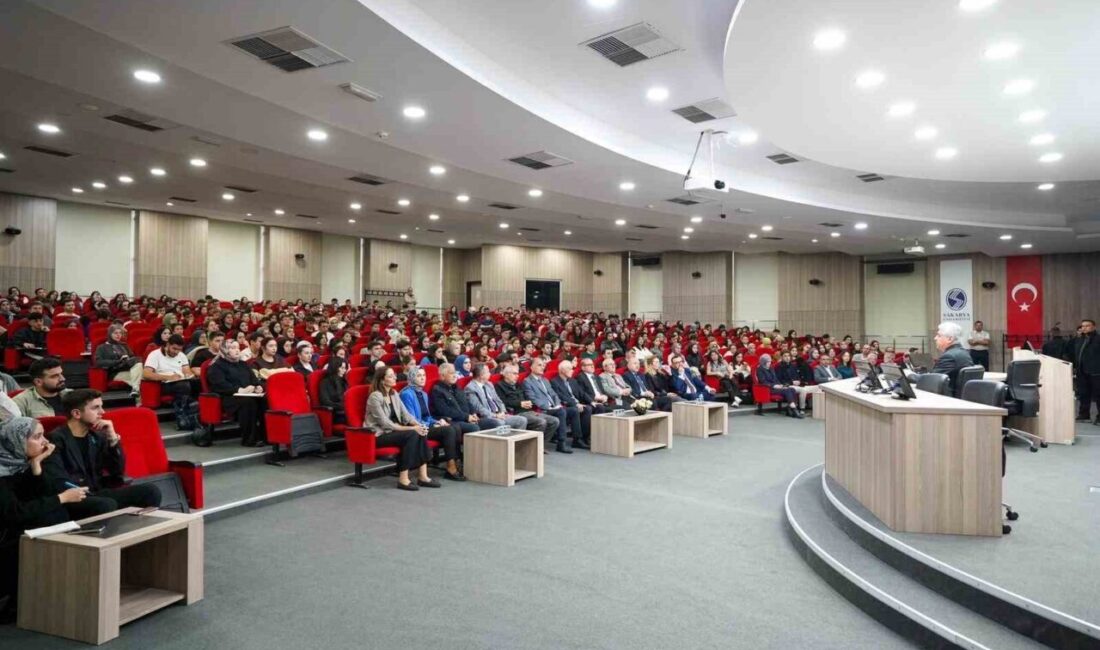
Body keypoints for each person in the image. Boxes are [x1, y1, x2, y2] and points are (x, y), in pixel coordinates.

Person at [0, 417, 86, 620]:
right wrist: (61, 498)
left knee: (56, 514)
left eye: (43, 435)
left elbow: (37, 497)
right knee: (53, 514)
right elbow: (14, 513)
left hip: (13, 531)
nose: (45, 442)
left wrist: (37, 466)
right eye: (37, 437)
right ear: (17, 440)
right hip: (3, 538)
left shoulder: (18, 464)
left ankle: (38, 593)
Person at [44, 389, 162, 519]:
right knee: (106, 504)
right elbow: (57, 480)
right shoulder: (56, 439)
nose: (102, 412)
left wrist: (112, 439)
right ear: (77, 413)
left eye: (101, 407)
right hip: (73, 497)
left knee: (151, 491)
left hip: (97, 492)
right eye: (96, 408)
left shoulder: (97, 437)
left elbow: (117, 471)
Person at [366, 368, 438, 491]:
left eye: (394, 375)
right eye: (391, 376)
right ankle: (403, 479)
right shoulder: (375, 397)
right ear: (382, 380)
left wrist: (418, 425)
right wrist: (410, 428)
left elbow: (406, 415)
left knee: (419, 432)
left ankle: (423, 476)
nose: (395, 378)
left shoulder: (394, 393)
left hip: (394, 431)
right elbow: (385, 423)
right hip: (379, 434)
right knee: (411, 434)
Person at [398, 368, 465, 480]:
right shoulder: (406, 394)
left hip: (426, 425)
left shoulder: (423, 394)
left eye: (424, 375)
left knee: (453, 427)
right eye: (419, 376)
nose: (423, 378)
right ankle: (451, 467)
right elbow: (411, 419)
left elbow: (427, 416)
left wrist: (437, 421)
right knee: (448, 430)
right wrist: (432, 425)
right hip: (416, 428)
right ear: (412, 378)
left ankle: (455, 461)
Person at [206, 339, 266, 447]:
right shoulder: (216, 366)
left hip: (248, 394)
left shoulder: (243, 364)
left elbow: (254, 379)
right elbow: (220, 385)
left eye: (238, 348)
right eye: (232, 348)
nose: (237, 350)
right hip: (228, 398)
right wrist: (240, 390)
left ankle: (266, 436)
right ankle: (249, 439)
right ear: (224, 350)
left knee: (265, 400)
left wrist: (258, 387)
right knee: (248, 402)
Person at [496, 363, 559, 447]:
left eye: (517, 373)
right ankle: (530, 447)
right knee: (541, 422)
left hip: (529, 410)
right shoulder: (499, 386)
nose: (517, 376)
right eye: (514, 373)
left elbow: (527, 396)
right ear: (506, 374)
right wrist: (520, 404)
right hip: (516, 412)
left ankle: (540, 446)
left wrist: (529, 402)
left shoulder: (518, 384)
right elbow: (502, 401)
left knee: (555, 421)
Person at [524, 358, 579, 453]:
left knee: (574, 410)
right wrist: (549, 407)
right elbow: (532, 399)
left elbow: (554, 394)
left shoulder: (545, 380)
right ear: (531, 367)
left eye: (543, 365)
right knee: (561, 412)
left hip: (554, 408)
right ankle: (561, 443)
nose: (542, 367)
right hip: (542, 409)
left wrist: (557, 404)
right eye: (539, 365)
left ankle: (578, 439)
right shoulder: (527, 381)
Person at [144, 334, 197, 430]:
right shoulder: (155, 355)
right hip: (163, 383)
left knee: (197, 383)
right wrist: (169, 377)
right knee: (184, 386)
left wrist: (189, 375)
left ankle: (194, 413)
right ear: (167, 344)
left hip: (180, 381)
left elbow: (186, 370)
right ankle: (182, 416)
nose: (176, 352)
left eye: (179, 349)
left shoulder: (181, 355)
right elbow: (147, 374)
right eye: (174, 349)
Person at [464, 363, 527, 430]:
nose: (490, 374)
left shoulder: (489, 384)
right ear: (481, 375)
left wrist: (503, 411)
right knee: (500, 423)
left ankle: (515, 440)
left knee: (522, 420)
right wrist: (495, 416)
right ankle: (504, 440)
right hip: (485, 417)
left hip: (499, 414)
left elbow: (498, 400)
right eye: (488, 372)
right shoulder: (470, 388)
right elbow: (479, 408)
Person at [429, 363, 486, 434]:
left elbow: (467, 402)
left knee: (491, 423)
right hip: (454, 420)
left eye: (455, 372)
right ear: (442, 376)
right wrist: (466, 417)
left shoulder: (456, 387)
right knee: (474, 428)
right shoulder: (437, 390)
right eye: (451, 373)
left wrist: (473, 413)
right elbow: (446, 411)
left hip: (467, 417)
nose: (454, 375)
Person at [93, 324, 143, 398]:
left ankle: (135, 390)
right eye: (116, 333)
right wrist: (118, 361)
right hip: (116, 372)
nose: (118, 335)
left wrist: (126, 359)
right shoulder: (102, 347)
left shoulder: (124, 345)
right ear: (110, 334)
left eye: (120, 333)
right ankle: (137, 395)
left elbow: (133, 358)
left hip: (129, 369)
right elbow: (99, 362)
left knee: (139, 365)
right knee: (140, 380)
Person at [1071, 319, 1099, 422]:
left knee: (1098, 395)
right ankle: (1084, 414)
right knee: (1083, 394)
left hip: (1096, 371)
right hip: (1082, 371)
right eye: (1083, 326)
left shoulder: (1098, 339)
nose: (1084, 328)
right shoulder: (1079, 340)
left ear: (1093, 327)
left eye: (1087, 326)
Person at [318, 359, 349, 425]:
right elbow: (325, 401)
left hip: (345, 410)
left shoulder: (344, 381)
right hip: (335, 412)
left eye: (345, 368)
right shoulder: (325, 382)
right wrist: (341, 406)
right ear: (335, 368)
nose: (344, 370)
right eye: (342, 368)